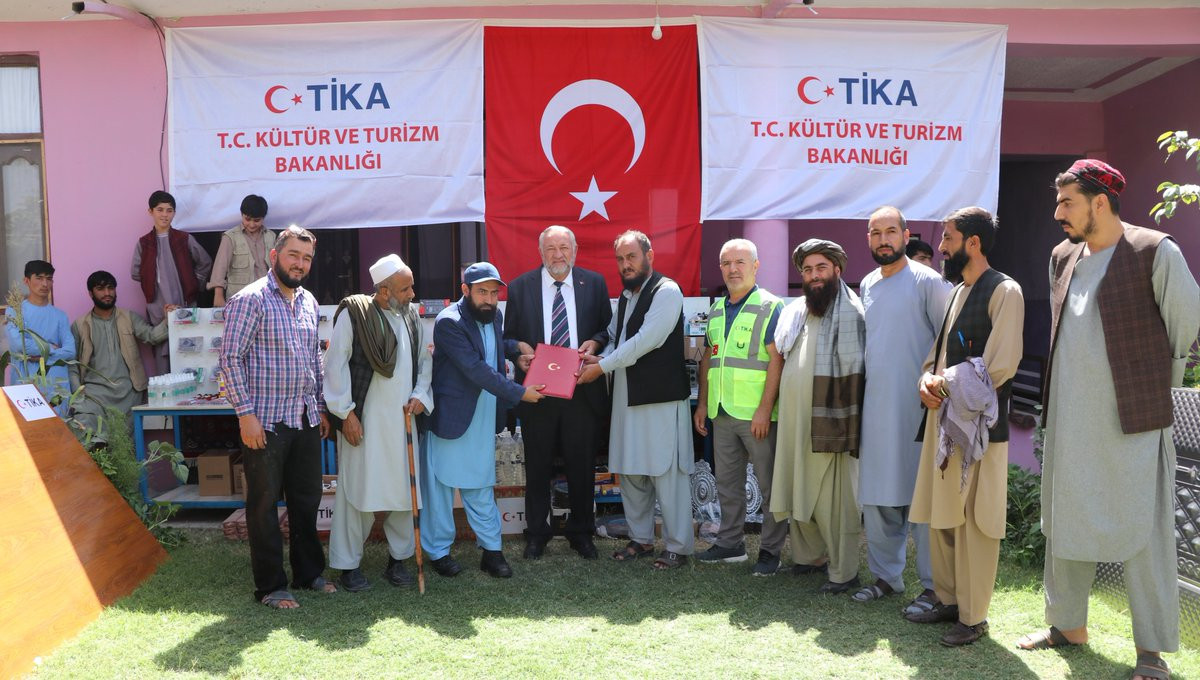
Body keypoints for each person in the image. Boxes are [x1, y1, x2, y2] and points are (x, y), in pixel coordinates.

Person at [1015, 160, 1200, 680]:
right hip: (1069, 418)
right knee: (1065, 520)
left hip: (1133, 419)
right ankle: (1067, 624)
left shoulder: (1155, 250)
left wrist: (1150, 382)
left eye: (1066, 202)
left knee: (1145, 529)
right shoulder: (1062, 256)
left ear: (1100, 202)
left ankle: (1151, 650)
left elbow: (1185, 324)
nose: (1058, 213)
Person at [908, 207, 1023, 646]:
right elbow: (937, 355)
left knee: (975, 523)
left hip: (980, 431)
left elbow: (1001, 365)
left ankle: (973, 618)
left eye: (948, 238)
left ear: (973, 243)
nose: (941, 247)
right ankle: (948, 600)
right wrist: (925, 379)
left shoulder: (1005, 291)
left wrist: (942, 383)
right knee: (943, 518)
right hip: (943, 425)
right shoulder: (956, 291)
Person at [220, 226, 334, 609]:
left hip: (304, 418)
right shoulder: (249, 300)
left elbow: (314, 358)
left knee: (306, 500)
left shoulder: (308, 302)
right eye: (293, 256)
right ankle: (271, 586)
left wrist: (319, 406)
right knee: (264, 505)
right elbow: (230, 359)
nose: (300, 264)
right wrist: (245, 415)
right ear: (275, 256)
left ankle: (308, 574)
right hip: (265, 422)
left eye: (306, 258)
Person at [578, 230, 694, 570]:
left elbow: (646, 341)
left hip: (661, 399)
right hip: (626, 397)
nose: (625, 264)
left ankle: (678, 546)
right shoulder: (627, 296)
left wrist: (602, 367)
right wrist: (597, 353)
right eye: (620, 259)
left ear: (649, 256)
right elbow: (617, 337)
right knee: (631, 470)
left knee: (667, 473)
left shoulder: (667, 291)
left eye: (631, 257)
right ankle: (641, 539)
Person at [853, 207, 951, 611]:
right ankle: (886, 577)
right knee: (878, 497)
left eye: (891, 231)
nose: (883, 240)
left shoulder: (928, 281)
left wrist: (938, 388)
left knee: (922, 499)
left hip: (920, 410)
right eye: (875, 233)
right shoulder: (867, 283)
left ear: (906, 235)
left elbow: (950, 342)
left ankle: (933, 586)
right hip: (876, 411)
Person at [421, 262, 545, 579]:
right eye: (482, 292)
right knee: (440, 489)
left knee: (481, 483)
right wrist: (520, 393)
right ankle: (438, 552)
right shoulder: (448, 322)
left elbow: (491, 346)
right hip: (452, 418)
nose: (490, 299)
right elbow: (476, 368)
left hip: (484, 415)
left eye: (494, 293)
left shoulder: (493, 315)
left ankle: (492, 552)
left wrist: (515, 349)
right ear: (465, 290)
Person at [324, 254, 433, 592]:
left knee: (404, 493)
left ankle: (398, 560)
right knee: (357, 493)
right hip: (364, 422)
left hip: (402, 422)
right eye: (405, 289)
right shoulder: (354, 315)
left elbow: (424, 363)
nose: (412, 293)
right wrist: (346, 414)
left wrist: (420, 395)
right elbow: (335, 365)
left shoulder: (411, 316)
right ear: (384, 291)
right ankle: (348, 566)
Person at [503, 225, 612, 560]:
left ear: (575, 250)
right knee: (537, 467)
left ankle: (582, 533)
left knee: (582, 466)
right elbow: (508, 338)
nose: (558, 254)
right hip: (538, 393)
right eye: (551, 248)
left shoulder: (594, 283)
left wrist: (595, 343)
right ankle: (537, 534)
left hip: (581, 390)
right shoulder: (520, 287)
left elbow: (606, 330)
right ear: (540, 252)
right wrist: (519, 351)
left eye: (564, 247)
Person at [770, 239, 866, 593]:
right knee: (799, 484)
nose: (814, 276)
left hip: (831, 419)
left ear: (837, 270)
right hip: (796, 419)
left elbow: (856, 373)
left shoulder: (850, 311)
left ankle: (844, 572)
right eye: (808, 270)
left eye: (821, 268)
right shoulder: (798, 310)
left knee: (834, 498)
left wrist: (842, 423)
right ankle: (810, 557)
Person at [693, 238, 787, 576]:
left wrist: (765, 409)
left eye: (740, 262)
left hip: (757, 416)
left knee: (770, 486)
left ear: (755, 266)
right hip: (722, 413)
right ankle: (731, 544)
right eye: (726, 263)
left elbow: (777, 360)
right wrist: (703, 404)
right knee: (727, 485)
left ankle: (771, 551)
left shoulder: (771, 306)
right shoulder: (717, 309)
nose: (733, 269)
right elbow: (710, 358)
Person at [69, 270, 173, 441]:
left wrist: (168, 320)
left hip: (128, 393)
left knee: (126, 444)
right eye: (100, 289)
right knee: (89, 439)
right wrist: (78, 394)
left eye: (111, 288)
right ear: (91, 293)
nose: (107, 293)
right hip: (94, 395)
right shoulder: (80, 325)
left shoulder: (129, 317)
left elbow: (151, 336)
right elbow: (72, 363)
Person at [130, 190, 213, 373]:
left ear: (174, 213)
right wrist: (153, 281)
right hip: (158, 310)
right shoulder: (144, 243)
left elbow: (205, 262)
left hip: (185, 303)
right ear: (150, 212)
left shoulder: (183, 239)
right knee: (164, 359)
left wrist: (193, 285)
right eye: (160, 210)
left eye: (169, 210)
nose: (164, 215)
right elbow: (136, 273)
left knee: (190, 356)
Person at [4, 259, 75, 415]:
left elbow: (70, 351)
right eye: (39, 278)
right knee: (27, 427)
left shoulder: (60, 316)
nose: (45, 284)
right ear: (26, 281)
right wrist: (51, 348)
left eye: (49, 279)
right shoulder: (14, 311)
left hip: (56, 385)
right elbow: (18, 345)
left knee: (58, 427)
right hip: (25, 383)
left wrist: (40, 356)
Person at [210, 194, 276, 307]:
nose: (252, 224)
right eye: (247, 219)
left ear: (263, 218)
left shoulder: (271, 236)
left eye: (257, 220)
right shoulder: (230, 237)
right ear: (241, 214)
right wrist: (218, 295)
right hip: (239, 298)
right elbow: (220, 268)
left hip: (266, 297)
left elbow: (277, 268)